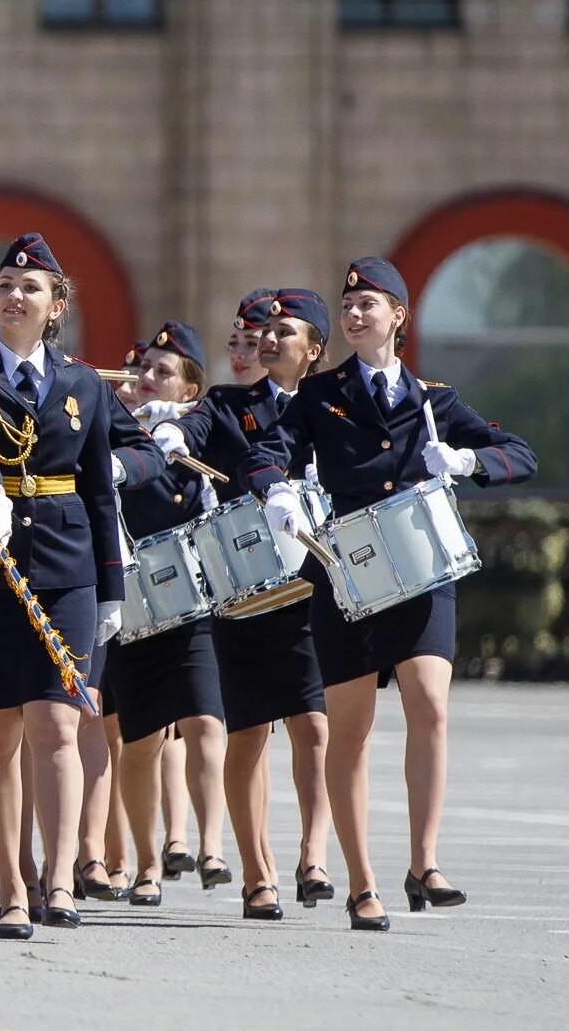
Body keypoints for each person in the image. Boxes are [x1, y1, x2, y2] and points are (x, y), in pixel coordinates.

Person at [244, 256, 535, 931]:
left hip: (424, 572)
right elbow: (268, 450)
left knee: (431, 706)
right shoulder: (320, 394)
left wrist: (470, 461)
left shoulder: (434, 400)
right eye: (347, 307)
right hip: (348, 576)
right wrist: (277, 489)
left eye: (368, 305)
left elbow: (521, 452)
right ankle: (361, 882)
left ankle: (424, 863)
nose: (353, 316)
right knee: (351, 730)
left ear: (398, 316)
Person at [0, 233, 125, 938]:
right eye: (5, 283)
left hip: (65, 566)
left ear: (55, 304)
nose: (14, 294)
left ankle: (61, 879)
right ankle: (11, 886)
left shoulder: (84, 383)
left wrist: (112, 590)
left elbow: (101, 490)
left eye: (31, 286)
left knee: (56, 723)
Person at [160, 289, 335, 919]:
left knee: (315, 725)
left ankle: (314, 856)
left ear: (313, 349)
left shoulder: (332, 404)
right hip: (244, 590)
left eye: (276, 332)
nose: (262, 342)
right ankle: (257, 873)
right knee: (251, 732)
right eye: (255, 333)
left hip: (314, 586)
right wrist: (167, 427)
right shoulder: (229, 406)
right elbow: (191, 429)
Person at [108, 323, 229, 910]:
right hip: (132, 609)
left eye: (162, 371)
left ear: (189, 390)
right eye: (144, 369)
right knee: (140, 741)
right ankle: (147, 862)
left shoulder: (199, 442)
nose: (146, 379)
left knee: (206, 720)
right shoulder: (116, 438)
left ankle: (211, 846)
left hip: (190, 605)